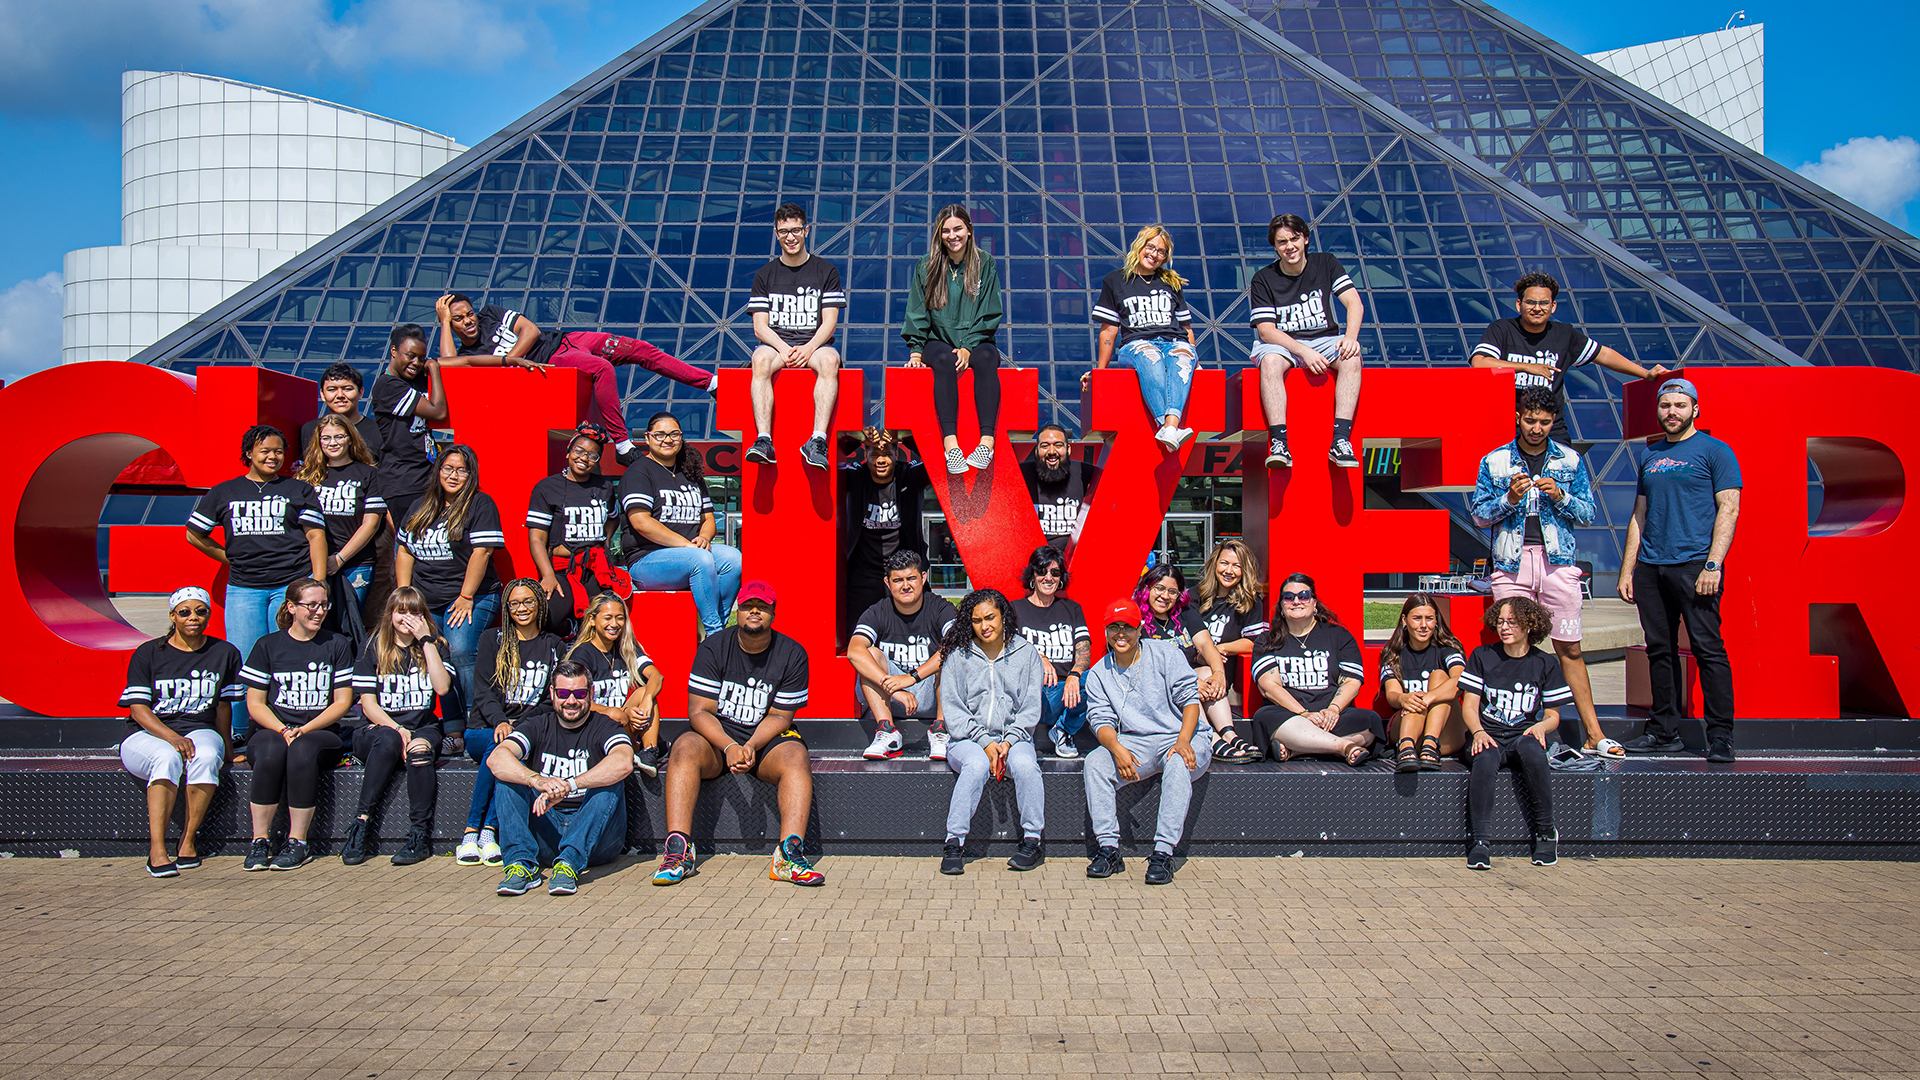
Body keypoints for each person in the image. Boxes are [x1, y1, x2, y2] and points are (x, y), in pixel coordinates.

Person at [1470, 387, 1616, 757]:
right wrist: (1510, 499)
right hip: (1511, 564)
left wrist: (1561, 497)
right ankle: (1502, 731)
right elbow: (1479, 515)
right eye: (1530, 420)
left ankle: (1594, 733)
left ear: (1554, 422)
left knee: (1569, 648)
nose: (1537, 428)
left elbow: (1587, 514)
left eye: (1545, 422)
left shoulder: (1569, 460)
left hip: (1558, 564)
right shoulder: (1495, 461)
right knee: (1509, 646)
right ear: (1518, 417)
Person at [654, 581, 823, 887]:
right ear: (738, 611)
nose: (754, 611)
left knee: (796, 754)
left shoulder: (792, 653)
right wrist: (730, 745)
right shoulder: (713, 647)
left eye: (762, 606)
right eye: (747, 606)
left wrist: (751, 745)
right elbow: (700, 711)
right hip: (717, 739)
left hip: (765, 739)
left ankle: (789, 855)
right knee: (684, 746)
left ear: (773, 613)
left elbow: (781, 716)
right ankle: (678, 851)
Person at [437, 291, 716, 466]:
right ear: (450, 324)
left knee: (640, 349)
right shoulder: (469, 354)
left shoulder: (490, 314)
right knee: (601, 368)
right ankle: (621, 444)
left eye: (468, 314)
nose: (468, 321)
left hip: (568, 340)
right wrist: (443, 323)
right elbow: (448, 366)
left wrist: (512, 363)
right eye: (458, 319)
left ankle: (711, 383)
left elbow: (531, 331)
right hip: (554, 362)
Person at [184, 424, 327, 757]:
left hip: (290, 585)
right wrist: (227, 555)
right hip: (244, 588)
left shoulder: (299, 490)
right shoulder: (224, 492)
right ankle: (237, 731)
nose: (273, 457)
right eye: (265, 451)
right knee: (244, 659)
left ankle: (282, 726)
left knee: (287, 656)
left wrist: (316, 583)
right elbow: (194, 534)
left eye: (279, 451)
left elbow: (315, 536)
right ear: (249, 453)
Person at [1619, 377, 1742, 762]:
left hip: (1694, 566)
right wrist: (1628, 569)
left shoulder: (1715, 452)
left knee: (1708, 650)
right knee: (1660, 651)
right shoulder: (1650, 455)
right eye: (1665, 405)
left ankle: (1720, 735)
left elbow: (1730, 508)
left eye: (1679, 405)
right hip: (1652, 568)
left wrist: (1713, 564)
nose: (1671, 412)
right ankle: (1663, 731)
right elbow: (1639, 514)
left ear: (1695, 409)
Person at [1081, 597, 1209, 886]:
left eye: (1128, 627)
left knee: (1178, 763)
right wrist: (1116, 749)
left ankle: (1163, 852)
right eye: (1114, 627)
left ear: (1140, 629)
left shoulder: (1165, 654)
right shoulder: (1100, 672)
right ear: (1106, 632)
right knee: (1095, 762)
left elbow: (1190, 701)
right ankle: (1108, 848)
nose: (1121, 634)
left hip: (1183, 735)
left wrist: (1184, 741)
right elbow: (1101, 721)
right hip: (1136, 742)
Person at [117, 586, 243, 877]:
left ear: (209, 615)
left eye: (200, 611)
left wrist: (228, 749)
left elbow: (223, 708)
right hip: (146, 734)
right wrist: (171, 737)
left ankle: (187, 841)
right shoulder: (148, 653)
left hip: (199, 728)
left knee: (208, 753)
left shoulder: (223, 652)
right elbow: (138, 710)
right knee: (167, 757)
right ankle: (157, 850)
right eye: (184, 612)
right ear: (173, 616)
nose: (193, 617)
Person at [487, 660, 637, 896]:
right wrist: (537, 780)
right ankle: (520, 865)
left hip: (597, 838)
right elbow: (497, 758)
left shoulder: (605, 726)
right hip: (548, 828)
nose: (571, 701)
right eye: (564, 693)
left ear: (591, 693)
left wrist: (570, 785)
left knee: (610, 780)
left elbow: (624, 761)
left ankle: (569, 864)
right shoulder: (537, 725)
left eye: (579, 693)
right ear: (552, 694)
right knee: (508, 778)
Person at [1471, 271, 1670, 446]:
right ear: (1519, 304)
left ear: (1553, 306)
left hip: (1552, 430)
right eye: (1531, 302)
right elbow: (1479, 362)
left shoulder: (1564, 334)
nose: (1537, 308)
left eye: (1544, 303)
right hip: (1507, 429)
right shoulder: (1502, 329)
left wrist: (1645, 373)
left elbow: (1603, 354)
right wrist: (1527, 367)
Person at [239, 578, 355, 871]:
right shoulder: (267, 645)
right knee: (269, 752)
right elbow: (255, 704)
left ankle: (297, 842)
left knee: (302, 751)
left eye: (323, 605)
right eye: (311, 605)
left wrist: (305, 728)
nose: (318, 611)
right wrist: (282, 729)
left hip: (320, 732)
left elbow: (342, 702)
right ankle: (259, 841)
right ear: (291, 607)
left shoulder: (337, 644)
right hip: (273, 728)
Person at [935, 589, 1046, 875]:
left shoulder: (1026, 653)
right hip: (967, 740)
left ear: (1003, 616)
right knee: (976, 765)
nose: (984, 626)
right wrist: (985, 742)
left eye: (990, 617)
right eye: (976, 620)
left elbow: (1031, 709)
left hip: (1015, 737)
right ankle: (954, 843)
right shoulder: (959, 656)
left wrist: (1008, 742)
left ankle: (1032, 840)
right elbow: (954, 711)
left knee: (1025, 765)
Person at [1459, 597, 1571, 870]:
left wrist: (1541, 727)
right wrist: (1478, 732)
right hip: (1489, 733)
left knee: (1534, 755)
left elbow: (1553, 716)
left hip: (1524, 734)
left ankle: (1545, 833)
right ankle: (1481, 842)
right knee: (1484, 761)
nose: (1504, 628)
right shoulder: (1483, 656)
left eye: (1512, 622)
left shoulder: (1545, 663)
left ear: (1530, 625)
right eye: (1500, 622)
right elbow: (1470, 706)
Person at [344, 587, 451, 867]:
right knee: (390, 740)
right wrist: (396, 728)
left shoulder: (435, 645)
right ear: (390, 614)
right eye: (401, 612)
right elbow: (368, 705)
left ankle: (419, 835)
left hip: (423, 725)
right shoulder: (373, 647)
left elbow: (442, 687)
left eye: (415, 612)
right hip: (378, 728)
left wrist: (426, 640)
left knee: (419, 750)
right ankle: (361, 825)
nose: (408, 618)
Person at [1248, 213, 1365, 469]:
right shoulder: (1263, 278)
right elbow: (1266, 331)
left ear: (1306, 239)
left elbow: (1353, 302)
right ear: (1275, 247)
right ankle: (1279, 443)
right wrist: (1304, 351)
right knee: (1269, 362)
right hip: (1283, 345)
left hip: (1325, 340)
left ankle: (1341, 440)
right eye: (1282, 242)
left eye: (1294, 239)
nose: (1289, 246)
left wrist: (1350, 338)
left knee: (1352, 357)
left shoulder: (1327, 263)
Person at [395, 444, 504, 717]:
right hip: (426, 600)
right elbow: (405, 551)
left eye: (462, 471)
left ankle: (474, 718)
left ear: (471, 475)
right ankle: (447, 724)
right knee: (427, 653)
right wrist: (404, 596)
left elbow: (482, 552)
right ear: (438, 471)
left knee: (460, 649)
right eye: (448, 468)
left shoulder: (480, 504)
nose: (453, 476)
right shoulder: (419, 506)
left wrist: (466, 597)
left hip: (472, 596)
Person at [464, 578, 564, 866]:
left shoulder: (553, 645)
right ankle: (477, 830)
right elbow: (482, 691)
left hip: (526, 732)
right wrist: (500, 722)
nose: (522, 608)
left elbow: (550, 698)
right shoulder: (492, 640)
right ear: (507, 608)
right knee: (499, 748)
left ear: (540, 605)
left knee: (508, 749)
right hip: (484, 729)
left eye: (529, 601)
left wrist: (521, 727)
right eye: (515, 603)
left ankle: (484, 833)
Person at [615, 411, 743, 635]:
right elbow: (641, 522)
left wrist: (704, 537)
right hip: (647, 560)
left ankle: (720, 627)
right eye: (660, 434)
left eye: (674, 434)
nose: (667, 439)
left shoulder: (689, 473)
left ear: (681, 438)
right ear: (647, 438)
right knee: (700, 559)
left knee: (733, 558)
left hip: (691, 553)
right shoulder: (638, 472)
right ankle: (715, 634)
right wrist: (685, 545)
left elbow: (708, 519)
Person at [904, 204, 1004, 474]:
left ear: (969, 231)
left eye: (958, 228)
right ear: (939, 234)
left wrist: (969, 347)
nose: (952, 235)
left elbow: (990, 310)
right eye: (945, 231)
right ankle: (952, 447)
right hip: (938, 340)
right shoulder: (926, 265)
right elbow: (917, 310)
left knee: (986, 359)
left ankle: (986, 443)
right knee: (943, 361)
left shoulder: (985, 263)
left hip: (977, 339)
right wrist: (915, 351)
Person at [745, 203, 846, 470]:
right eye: (784, 232)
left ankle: (817, 440)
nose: (790, 237)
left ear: (806, 231)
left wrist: (808, 348)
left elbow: (830, 322)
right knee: (760, 359)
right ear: (776, 234)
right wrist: (785, 348)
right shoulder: (764, 275)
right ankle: (764, 439)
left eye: (796, 230)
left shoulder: (826, 271)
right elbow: (760, 327)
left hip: (815, 344)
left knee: (829, 362)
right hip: (776, 344)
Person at [1249, 573, 1382, 765]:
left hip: (1331, 716)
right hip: (1290, 716)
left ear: (1314, 602)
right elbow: (1269, 687)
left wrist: (1333, 710)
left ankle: (1298, 751)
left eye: (1303, 596)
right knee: (1265, 717)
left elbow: (1352, 681)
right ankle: (1343, 747)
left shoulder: (1339, 636)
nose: (1296, 601)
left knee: (1371, 722)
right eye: (1288, 597)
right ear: (1281, 606)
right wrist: (1304, 714)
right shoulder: (1267, 640)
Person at [1089, 224, 1200, 452]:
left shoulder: (1171, 282)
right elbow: (1109, 331)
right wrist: (1100, 371)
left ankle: (1169, 427)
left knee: (1182, 357)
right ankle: (1167, 424)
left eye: (1161, 251)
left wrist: (1194, 360)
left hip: (1174, 341)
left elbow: (1186, 328)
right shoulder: (1115, 281)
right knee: (1152, 358)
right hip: (1136, 344)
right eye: (1151, 247)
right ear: (1139, 246)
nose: (1154, 254)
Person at [851, 550, 959, 761]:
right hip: (890, 695)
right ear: (887, 582)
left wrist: (911, 678)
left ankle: (941, 730)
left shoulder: (940, 607)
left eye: (911, 578)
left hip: (933, 694)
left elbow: (956, 642)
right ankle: (887, 733)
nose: (905, 585)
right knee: (870, 653)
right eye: (898, 580)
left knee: (950, 654)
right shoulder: (878, 611)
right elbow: (854, 651)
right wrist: (893, 688)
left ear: (923, 577)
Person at [1132, 560, 1238, 761]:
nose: (1165, 596)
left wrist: (1219, 674)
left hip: (1189, 682)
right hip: (1156, 687)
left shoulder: (1185, 613)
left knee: (1207, 672)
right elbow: (1148, 666)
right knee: (1190, 684)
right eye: (1159, 588)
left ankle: (1229, 734)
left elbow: (1206, 644)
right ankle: (1211, 737)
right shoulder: (1137, 617)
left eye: (1173, 591)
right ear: (1147, 588)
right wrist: (1189, 680)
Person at [297, 413, 385, 647]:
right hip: (312, 563)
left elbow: (371, 524)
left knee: (349, 627)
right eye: (326, 438)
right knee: (313, 625)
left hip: (356, 565)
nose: (332, 443)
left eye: (339, 436)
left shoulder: (369, 474)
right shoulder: (307, 477)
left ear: (350, 439)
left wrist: (340, 559)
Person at [525, 423, 620, 637]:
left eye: (592, 456)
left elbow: (613, 519)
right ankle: (569, 633)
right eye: (579, 451)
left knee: (603, 622)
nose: (584, 459)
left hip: (595, 569)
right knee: (546, 616)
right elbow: (537, 539)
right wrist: (547, 574)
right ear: (569, 451)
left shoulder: (604, 487)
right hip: (561, 569)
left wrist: (604, 543)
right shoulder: (547, 488)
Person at [839, 428, 931, 641]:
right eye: (874, 454)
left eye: (887, 454)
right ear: (866, 455)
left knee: (912, 638)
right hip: (864, 577)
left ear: (896, 454)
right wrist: (859, 438)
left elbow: (934, 457)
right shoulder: (855, 477)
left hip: (903, 574)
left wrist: (904, 437)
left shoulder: (910, 475)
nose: (880, 459)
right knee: (857, 638)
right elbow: (833, 457)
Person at [1189, 540, 1270, 764]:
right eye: (1224, 563)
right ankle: (1216, 737)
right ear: (1215, 563)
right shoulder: (1193, 597)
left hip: (1221, 675)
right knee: (1200, 676)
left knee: (1208, 674)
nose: (1229, 570)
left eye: (1236, 566)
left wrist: (1220, 649)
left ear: (1245, 569)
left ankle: (1227, 736)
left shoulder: (1250, 601)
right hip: (1191, 670)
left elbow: (1255, 642)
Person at [568, 592, 665, 777]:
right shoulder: (582, 654)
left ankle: (649, 754)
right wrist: (621, 713)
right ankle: (632, 750)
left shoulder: (626, 648)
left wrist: (646, 700)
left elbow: (656, 676)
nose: (614, 624)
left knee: (645, 691)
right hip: (590, 725)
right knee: (615, 714)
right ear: (591, 620)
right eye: (608, 618)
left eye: (619, 618)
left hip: (622, 722)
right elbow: (575, 701)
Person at [1009, 545, 1089, 758]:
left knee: (1098, 678)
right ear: (1032, 575)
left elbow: (1084, 652)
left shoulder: (1072, 609)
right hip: (1027, 693)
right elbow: (1005, 652)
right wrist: (1038, 658)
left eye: (1055, 573)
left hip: (1063, 694)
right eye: (1042, 571)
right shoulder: (1015, 609)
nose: (1048, 577)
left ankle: (1063, 730)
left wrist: (1074, 675)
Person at [1378, 594, 1467, 772]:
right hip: (1406, 729)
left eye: (1429, 619)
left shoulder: (1448, 649)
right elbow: (1392, 695)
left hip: (1445, 735)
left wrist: (1428, 698)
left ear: (1436, 621)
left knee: (1440, 676)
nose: (1424, 625)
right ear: (1405, 619)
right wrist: (1405, 699)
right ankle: (1406, 747)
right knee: (1412, 700)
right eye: (1417, 618)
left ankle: (1430, 743)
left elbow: (1460, 681)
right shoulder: (1392, 653)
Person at [368, 323, 446, 525]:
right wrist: (434, 369)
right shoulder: (388, 386)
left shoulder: (414, 378)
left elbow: (465, 361)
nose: (416, 363)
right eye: (410, 355)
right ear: (393, 351)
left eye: (421, 358)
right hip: (403, 481)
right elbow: (438, 412)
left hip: (424, 477)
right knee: (415, 544)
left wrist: (506, 360)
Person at [1018, 424, 1103, 554]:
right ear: (1036, 451)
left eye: (1058, 445)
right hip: (1031, 562)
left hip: (1076, 561)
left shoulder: (1087, 474)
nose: (1052, 452)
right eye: (1045, 446)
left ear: (1068, 449)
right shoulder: (1019, 474)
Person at [298, 361, 383, 463]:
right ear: (322, 395)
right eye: (332, 389)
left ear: (360, 393)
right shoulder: (309, 429)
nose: (340, 395)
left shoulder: (379, 431)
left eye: (347, 389)